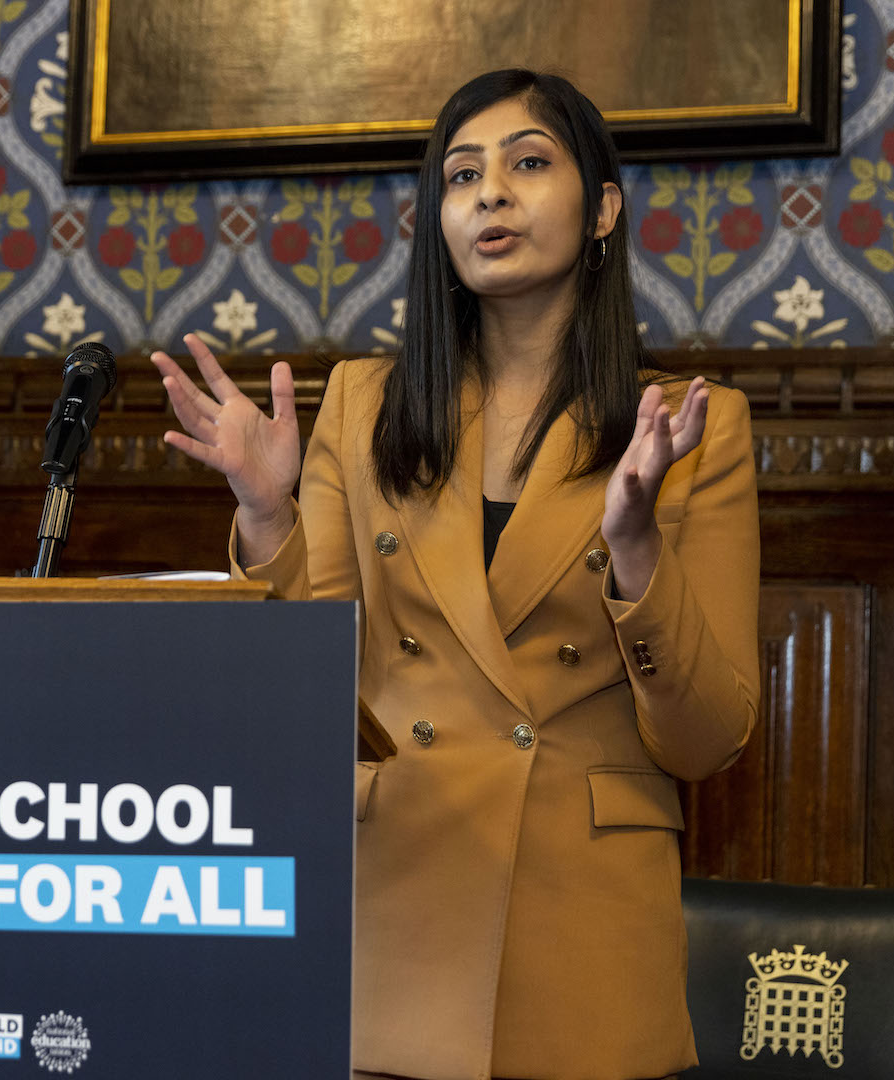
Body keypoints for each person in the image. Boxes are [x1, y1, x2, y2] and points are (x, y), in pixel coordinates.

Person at [150, 69, 760, 1080]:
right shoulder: (362, 405)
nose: (491, 194)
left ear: (602, 207)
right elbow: (310, 691)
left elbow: (708, 740)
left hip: (583, 937)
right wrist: (266, 512)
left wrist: (636, 545)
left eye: (529, 163)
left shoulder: (692, 428)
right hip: (400, 915)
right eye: (462, 174)